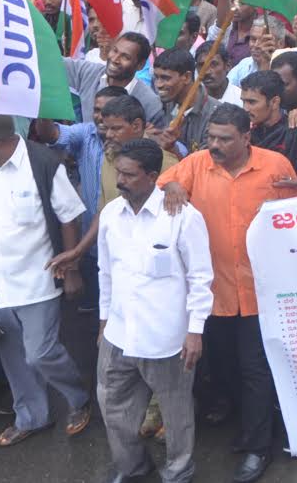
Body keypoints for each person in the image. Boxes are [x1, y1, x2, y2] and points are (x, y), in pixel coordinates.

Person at [158, 104, 297, 482]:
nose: (215, 145)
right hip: (212, 291)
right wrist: (171, 184)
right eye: (211, 138)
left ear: (246, 137)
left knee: (256, 370)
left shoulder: (275, 166)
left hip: (260, 290)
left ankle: (257, 447)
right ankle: (249, 426)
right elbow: (164, 183)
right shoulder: (197, 163)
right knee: (223, 366)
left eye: (225, 139)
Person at [0, 109, 93, 448]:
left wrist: (72, 269)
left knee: (39, 352)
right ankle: (32, 417)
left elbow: (69, 217)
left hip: (39, 279)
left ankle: (78, 398)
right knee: (14, 357)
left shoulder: (43, 164)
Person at [98, 138, 212, 483]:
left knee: (176, 413)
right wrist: (103, 324)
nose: (120, 181)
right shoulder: (110, 215)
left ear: (151, 176)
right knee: (113, 407)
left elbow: (201, 278)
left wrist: (195, 331)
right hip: (118, 334)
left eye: (129, 175)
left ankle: (178, 470)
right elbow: (105, 272)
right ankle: (133, 467)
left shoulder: (182, 217)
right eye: (119, 173)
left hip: (166, 338)